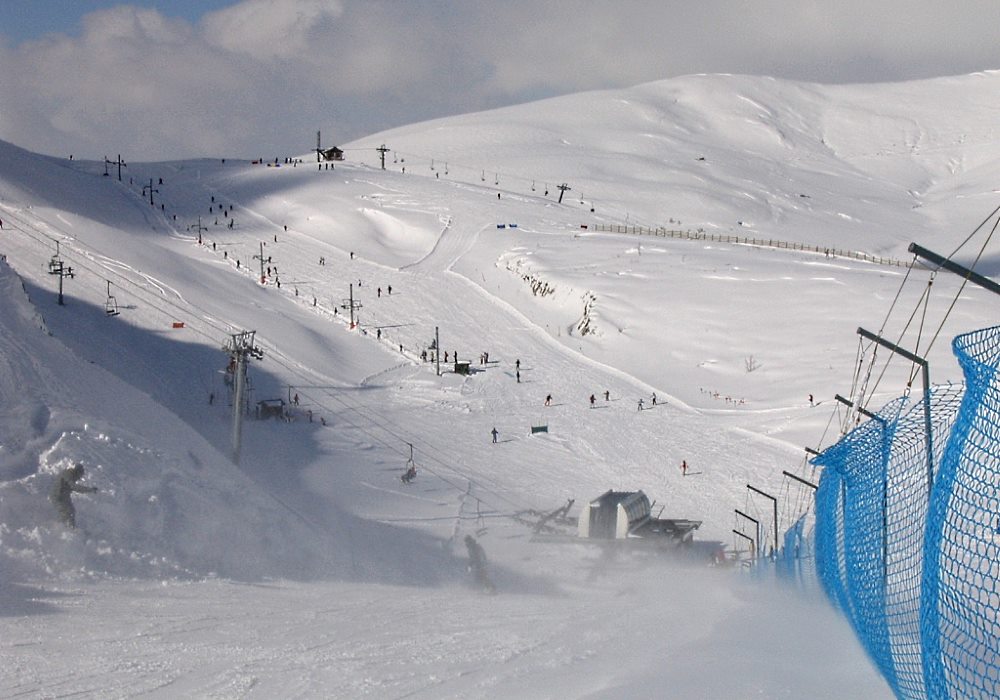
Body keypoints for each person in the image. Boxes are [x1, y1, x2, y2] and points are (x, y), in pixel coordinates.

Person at [50, 463, 98, 528]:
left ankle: (71, 528)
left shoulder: (70, 475)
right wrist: (90, 489)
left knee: (71, 511)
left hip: (63, 496)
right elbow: (74, 487)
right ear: (77, 472)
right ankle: (60, 529)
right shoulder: (68, 475)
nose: (79, 477)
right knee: (67, 511)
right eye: (80, 475)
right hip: (58, 496)